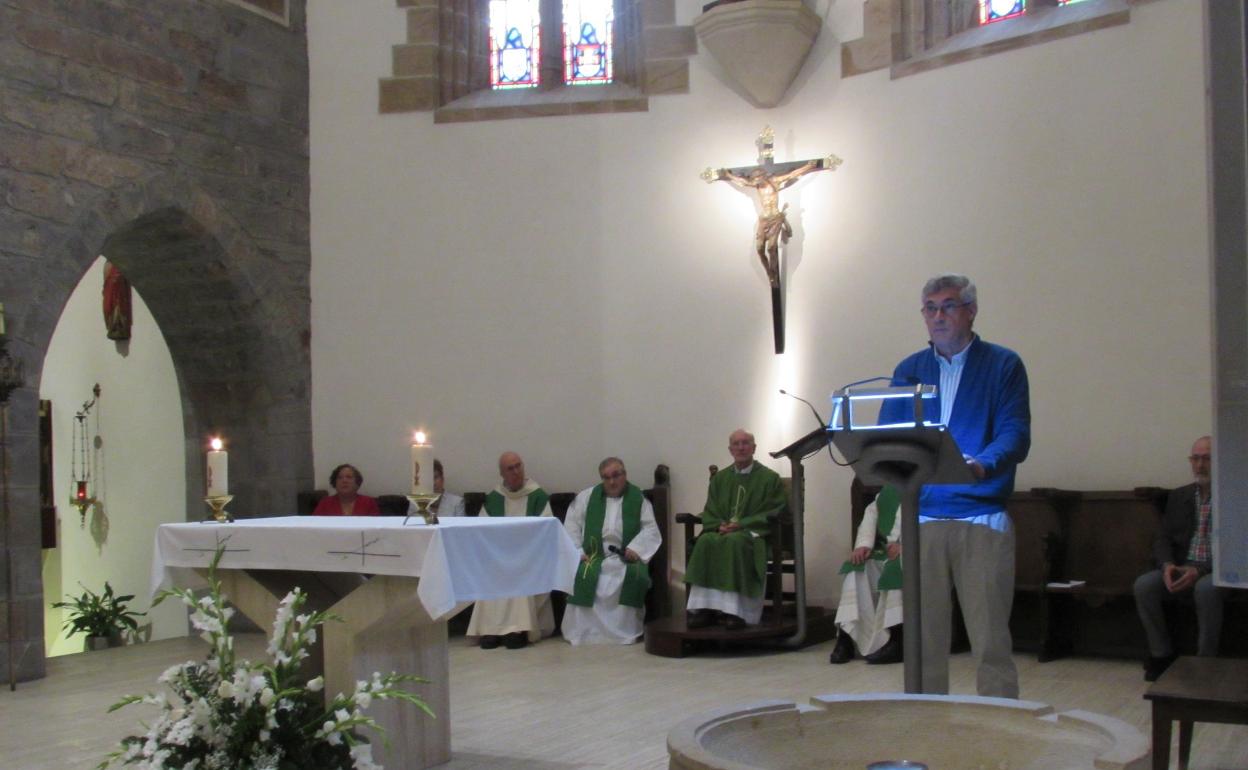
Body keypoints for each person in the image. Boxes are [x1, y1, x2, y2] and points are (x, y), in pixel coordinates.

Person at [878, 273, 1030, 698]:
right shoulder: (910, 370)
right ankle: (927, 723)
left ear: (971, 310)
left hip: (980, 517)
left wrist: (983, 463)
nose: (938, 316)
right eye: (930, 308)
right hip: (922, 516)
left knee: (990, 640)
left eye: (948, 305)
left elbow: (1015, 432)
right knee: (924, 638)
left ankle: (999, 726)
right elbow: (889, 431)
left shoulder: (1003, 365)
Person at [1133, 435, 1225, 681]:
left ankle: (1207, 661)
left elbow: (1238, 546)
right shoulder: (1180, 496)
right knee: (1144, 585)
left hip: (1218, 571)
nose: (1199, 465)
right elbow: (1162, 537)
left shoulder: (1234, 497)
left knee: (1206, 590)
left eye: (1206, 458)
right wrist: (1167, 565)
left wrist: (1202, 569)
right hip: (1182, 566)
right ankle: (1161, 655)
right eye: (1195, 458)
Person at [684, 429, 787, 630]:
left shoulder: (769, 478)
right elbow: (710, 509)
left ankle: (734, 611)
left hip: (751, 535)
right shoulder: (720, 479)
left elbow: (775, 509)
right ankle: (703, 609)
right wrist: (718, 525)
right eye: (736, 444)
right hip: (723, 531)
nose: (741, 448)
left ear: (754, 448)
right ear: (730, 449)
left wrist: (743, 524)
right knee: (705, 541)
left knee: (734, 541)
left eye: (745, 443)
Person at [562, 457, 662, 645]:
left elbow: (650, 529)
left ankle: (623, 633)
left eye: (616, 476)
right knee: (583, 574)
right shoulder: (586, 497)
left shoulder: (637, 498)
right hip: (592, 557)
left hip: (624, 558)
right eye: (606, 477)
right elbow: (571, 526)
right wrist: (577, 551)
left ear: (625, 474)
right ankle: (584, 633)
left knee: (629, 576)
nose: (612, 482)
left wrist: (636, 548)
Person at [467, 451, 555, 649]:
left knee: (518, 572)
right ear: (502, 474)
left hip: (528, 558)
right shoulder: (494, 499)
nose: (516, 471)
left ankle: (517, 630)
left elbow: (546, 532)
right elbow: (481, 532)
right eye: (510, 468)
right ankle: (490, 630)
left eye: (518, 466)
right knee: (492, 572)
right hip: (498, 558)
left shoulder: (538, 496)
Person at [829, 485, 903, 665]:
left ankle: (897, 639)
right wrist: (863, 545)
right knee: (856, 568)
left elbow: (930, 520)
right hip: (886, 551)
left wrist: (905, 545)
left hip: (916, 552)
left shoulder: (925, 487)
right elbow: (871, 515)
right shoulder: (886, 493)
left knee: (895, 568)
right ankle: (846, 639)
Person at [312, 463, 380, 516]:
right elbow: (314, 527)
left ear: (357, 482)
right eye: (340, 478)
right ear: (334, 483)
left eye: (349, 477)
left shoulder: (369, 503)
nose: (344, 481)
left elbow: (376, 529)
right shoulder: (325, 503)